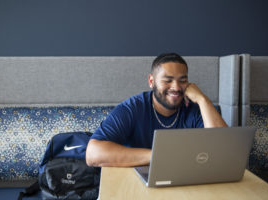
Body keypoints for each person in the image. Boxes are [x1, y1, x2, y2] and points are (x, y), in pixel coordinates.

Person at [86, 53, 227, 167]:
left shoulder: (195, 109)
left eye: (182, 80)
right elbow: (93, 154)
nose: (176, 87)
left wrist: (202, 99)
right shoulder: (132, 108)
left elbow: (224, 152)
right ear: (151, 81)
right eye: (168, 80)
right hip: (135, 181)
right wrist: (160, 156)